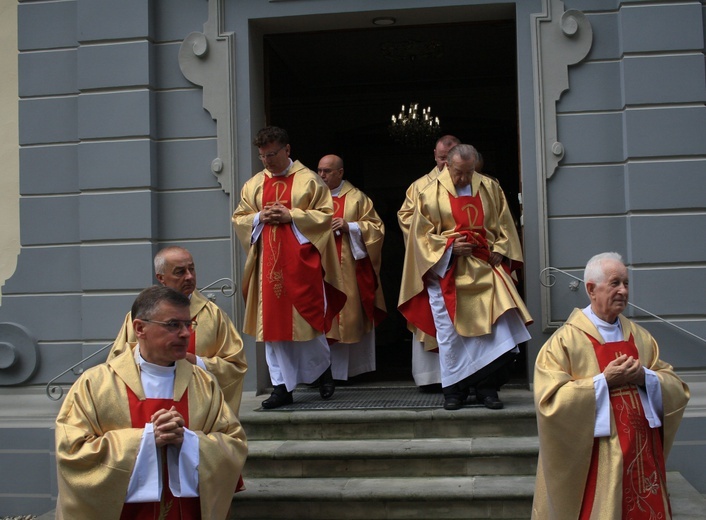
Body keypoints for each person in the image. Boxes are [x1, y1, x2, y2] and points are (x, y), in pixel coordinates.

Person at [55, 285, 247, 520]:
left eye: (188, 325)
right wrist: (146, 439)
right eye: (173, 325)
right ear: (139, 328)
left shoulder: (204, 383)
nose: (186, 334)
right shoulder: (96, 384)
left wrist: (187, 441)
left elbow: (233, 444)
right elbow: (72, 452)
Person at [532, 252, 690, 519]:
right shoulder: (564, 342)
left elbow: (675, 386)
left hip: (642, 455)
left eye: (626, 284)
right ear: (591, 289)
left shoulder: (640, 336)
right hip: (600, 458)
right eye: (615, 283)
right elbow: (550, 401)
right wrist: (603, 381)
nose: (624, 291)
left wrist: (644, 377)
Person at [398, 143, 532, 410]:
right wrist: (449, 248)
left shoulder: (490, 188)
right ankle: (454, 391)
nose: (464, 178)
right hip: (448, 273)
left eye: (469, 172)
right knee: (451, 337)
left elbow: (505, 224)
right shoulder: (428, 193)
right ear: (448, 165)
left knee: (492, 331)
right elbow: (420, 238)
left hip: (485, 270)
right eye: (459, 172)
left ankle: (487, 389)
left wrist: (500, 250)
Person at [232, 126, 346, 409]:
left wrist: (291, 215)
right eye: (262, 156)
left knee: (307, 321)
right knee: (271, 328)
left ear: (287, 150)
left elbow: (325, 215)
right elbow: (239, 217)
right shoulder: (254, 184)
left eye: (272, 154)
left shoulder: (309, 181)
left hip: (301, 263)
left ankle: (323, 371)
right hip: (268, 270)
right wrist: (259, 216)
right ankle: (281, 387)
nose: (267, 161)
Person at [110, 246, 248, 416]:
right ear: (161, 278)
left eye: (191, 269)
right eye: (180, 272)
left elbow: (235, 366)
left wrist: (197, 362)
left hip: (196, 410)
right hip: (148, 410)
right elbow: (117, 366)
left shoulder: (213, 316)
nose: (189, 276)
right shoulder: (142, 315)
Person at [398, 135, 460, 391]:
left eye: (450, 157)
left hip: (462, 262)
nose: (445, 163)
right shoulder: (420, 186)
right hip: (431, 265)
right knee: (429, 314)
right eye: (442, 157)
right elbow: (406, 219)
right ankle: (430, 377)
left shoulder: (469, 183)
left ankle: (460, 376)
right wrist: (436, 242)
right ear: (435, 154)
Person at [317, 154, 387, 380]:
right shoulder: (311, 197)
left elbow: (376, 228)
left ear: (340, 172)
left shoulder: (357, 198)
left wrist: (351, 227)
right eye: (319, 170)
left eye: (327, 171)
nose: (322, 175)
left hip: (348, 269)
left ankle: (352, 372)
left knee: (349, 317)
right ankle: (320, 372)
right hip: (319, 270)